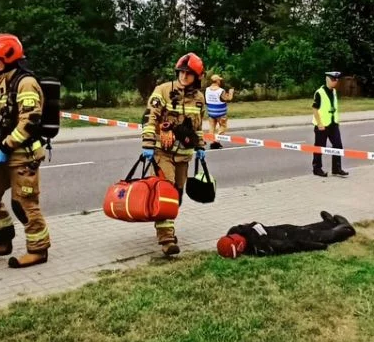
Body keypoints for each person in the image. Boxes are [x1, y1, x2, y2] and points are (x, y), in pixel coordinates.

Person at [0, 33, 50, 268]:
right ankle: (1, 242)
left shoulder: (25, 83)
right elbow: (5, 121)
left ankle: (38, 250)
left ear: (9, 57)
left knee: (23, 204)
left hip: (23, 156)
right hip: (4, 154)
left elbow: (30, 121)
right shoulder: (5, 81)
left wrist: (5, 147)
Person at [141, 52, 207, 256]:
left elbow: (198, 127)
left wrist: (201, 146)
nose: (184, 76)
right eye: (182, 72)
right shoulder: (163, 91)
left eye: (189, 73)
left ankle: (166, 225)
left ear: (197, 77)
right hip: (163, 152)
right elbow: (149, 119)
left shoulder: (199, 99)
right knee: (165, 193)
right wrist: (148, 144)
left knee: (176, 196)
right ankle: (167, 239)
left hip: (184, 156)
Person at [217, 211, 356, 258]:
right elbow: (291, 246)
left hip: (282, 230)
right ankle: (345, 230)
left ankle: (329, 222)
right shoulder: (261, 246)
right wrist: (318, 247)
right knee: (316, 235)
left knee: (305, 229)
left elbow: (253, 224)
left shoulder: (239, 231)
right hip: (286, 236)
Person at [312, 71, 348, 177]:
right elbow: (315, 109)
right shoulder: (319, 92)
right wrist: (319, 124)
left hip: (333, 124)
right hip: (322, 125)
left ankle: (336, 168)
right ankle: (317, 169)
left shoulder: (334, 91)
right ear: (327, 79)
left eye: (336, 80)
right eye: (333, 80)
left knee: (338, 146)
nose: (335, 82)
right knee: (319, 147)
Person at [205, 74, 234, 149]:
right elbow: (227, 99)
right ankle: (217, 141)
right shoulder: (221, 90)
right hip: (220, 113)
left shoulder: (207, 89)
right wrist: (231, 92)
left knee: (212, 127)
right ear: (217, 81)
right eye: (219, 80)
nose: (220, 81)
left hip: (211, 112)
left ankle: (212, 141)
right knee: (223, 126)